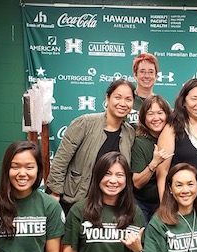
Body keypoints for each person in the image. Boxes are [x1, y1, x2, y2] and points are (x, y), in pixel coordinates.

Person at [46, 79, 136, 215]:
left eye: (128, 99)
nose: (123, 103)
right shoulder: (85, 123)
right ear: (107, 98)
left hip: (109, 206)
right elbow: (60, 161)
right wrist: (55, 193)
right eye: (118, 97)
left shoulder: (130, 133)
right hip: (76, 200)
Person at [131, 95, 173, 252]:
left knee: (162, 245)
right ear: (143, 117)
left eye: (160, 112)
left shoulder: (175, 136)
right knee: (140, 245)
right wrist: (154, 163)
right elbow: (137, 182)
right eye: (150, 113)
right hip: (141, 202)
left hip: (166, 201)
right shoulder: (140, 142)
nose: (156, 118)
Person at [156, 79, 197, 208]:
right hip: (181, 203)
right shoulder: (172, 129)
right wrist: (165, 209)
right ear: (184, 102)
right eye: (194, 99)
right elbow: (162, 173)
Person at [129, 53, 159, 127]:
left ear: (156, 76)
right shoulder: (126, 101)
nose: (147, 76)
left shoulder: (161, 104)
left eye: (151, 72)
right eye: (142, 71)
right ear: (135, 75)